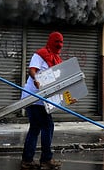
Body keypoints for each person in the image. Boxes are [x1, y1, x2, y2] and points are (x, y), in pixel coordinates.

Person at [20, 31, 64, 170]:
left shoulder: (57, 60)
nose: (59, 45)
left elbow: (59, 83)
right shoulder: (40, 54)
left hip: (43, 100)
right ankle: (46, 159)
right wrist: (36, 79)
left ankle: (27, 160)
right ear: (51, 41)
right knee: (47, 126)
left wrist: (68, 97)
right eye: (57, 42)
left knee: (35, 128)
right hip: (34, 97)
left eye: (61, 42)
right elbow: (32, 70)